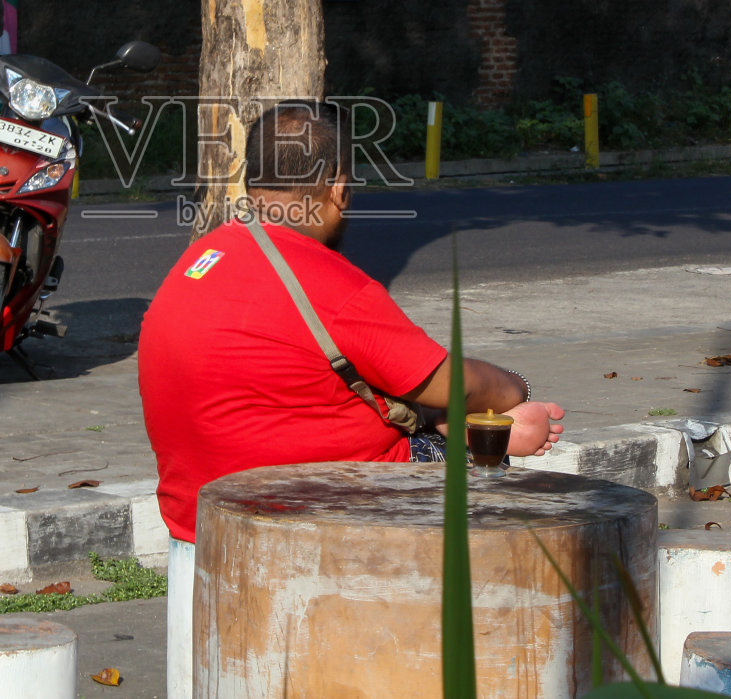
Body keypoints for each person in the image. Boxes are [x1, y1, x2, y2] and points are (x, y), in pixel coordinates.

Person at [138, 100, 564, 698]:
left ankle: (449, 429)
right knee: (488, 459)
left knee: (438, 418)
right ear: (338, 187)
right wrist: (514, 389)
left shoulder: (202, 258)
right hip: (304, 512)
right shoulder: (333, 285)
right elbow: (453, 379)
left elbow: (293, 380)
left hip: (199, 510)